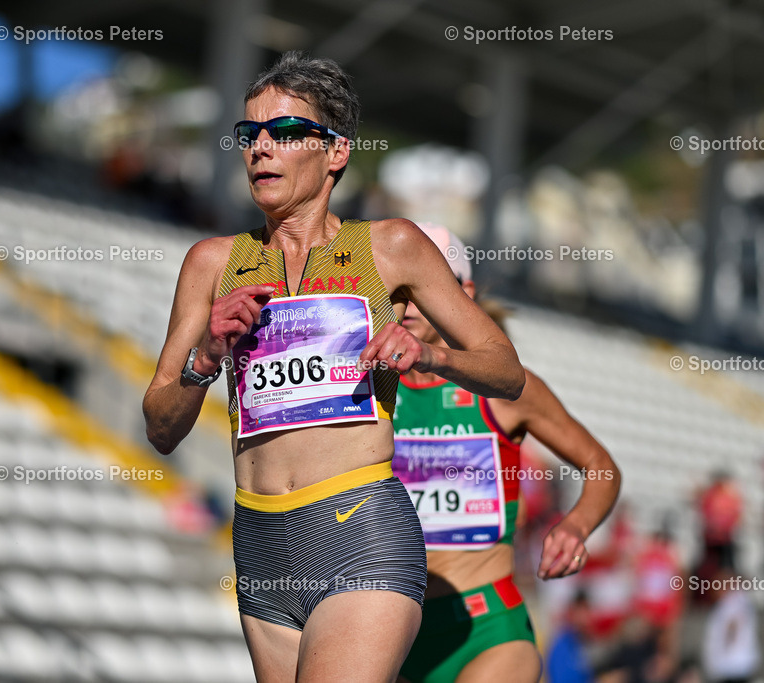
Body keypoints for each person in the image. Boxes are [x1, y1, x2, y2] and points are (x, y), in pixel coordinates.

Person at [143, 52, 525, 682]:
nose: (260, 149)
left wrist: (428, 353)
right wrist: (207, 355)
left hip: (359, 529)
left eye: (286, 133)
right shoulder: (212, 263)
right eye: (250, 134)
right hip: (259, 540)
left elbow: (505, 370)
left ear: (337, 152)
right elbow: (160, 428)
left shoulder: (392, 245)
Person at [392, 225, 620, 683]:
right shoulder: (362, 383)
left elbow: (600, 468)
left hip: (488, 626)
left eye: (426, 286)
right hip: (388, 630)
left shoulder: (504, 391)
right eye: (399, 288)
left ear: (464, 293)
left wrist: (574, 527)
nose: (411, 302)